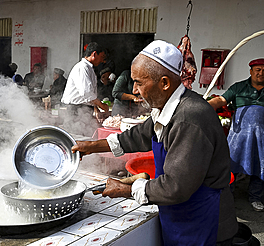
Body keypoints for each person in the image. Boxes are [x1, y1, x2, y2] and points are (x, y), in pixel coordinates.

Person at [71, 40, 238, 245]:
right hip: (182, 216)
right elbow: (139, 135)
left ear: (165, 83)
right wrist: (92, 146)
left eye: (139, 82)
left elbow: (176, 186)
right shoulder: (167, 107)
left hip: (205, 222)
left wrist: (126, 189)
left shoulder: (189, 117)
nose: (135, 89)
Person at [208, 58, 264, 212]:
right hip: (238, 136)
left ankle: (256, 198)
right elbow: (221, 100)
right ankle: (226, 196)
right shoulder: (239, 87)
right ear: (251, 71)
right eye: (258, 70)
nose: (261, 73)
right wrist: (203, 106)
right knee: (230, 165)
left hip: (262, 138)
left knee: (260, 167)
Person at [61, 42, 110, 136]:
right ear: (94, 54)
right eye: (102, 56)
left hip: (84, 110)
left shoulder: (89, 68)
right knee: (77, 139)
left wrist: (96, 108)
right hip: (76, 111)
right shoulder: (82, 68)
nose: (103, 61)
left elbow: (90, 94)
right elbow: (87, 93)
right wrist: (102, 105)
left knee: (86, 138)